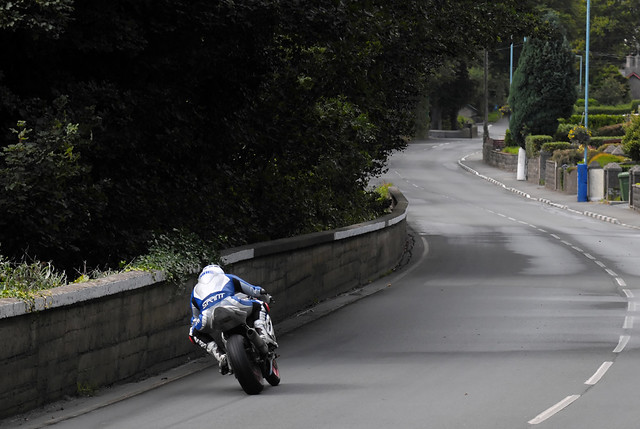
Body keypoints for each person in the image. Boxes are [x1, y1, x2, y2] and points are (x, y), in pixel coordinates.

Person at [188, 264, 277, 374]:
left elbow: (194, 319)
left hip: (207, 315)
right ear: (219, 272)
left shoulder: (195, 290)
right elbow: (254, 291)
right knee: (260, 305)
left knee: (194, 332)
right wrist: (265, 295)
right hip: (231, 303)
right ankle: (264, 336)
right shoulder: (227, 277)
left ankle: (221, 357)